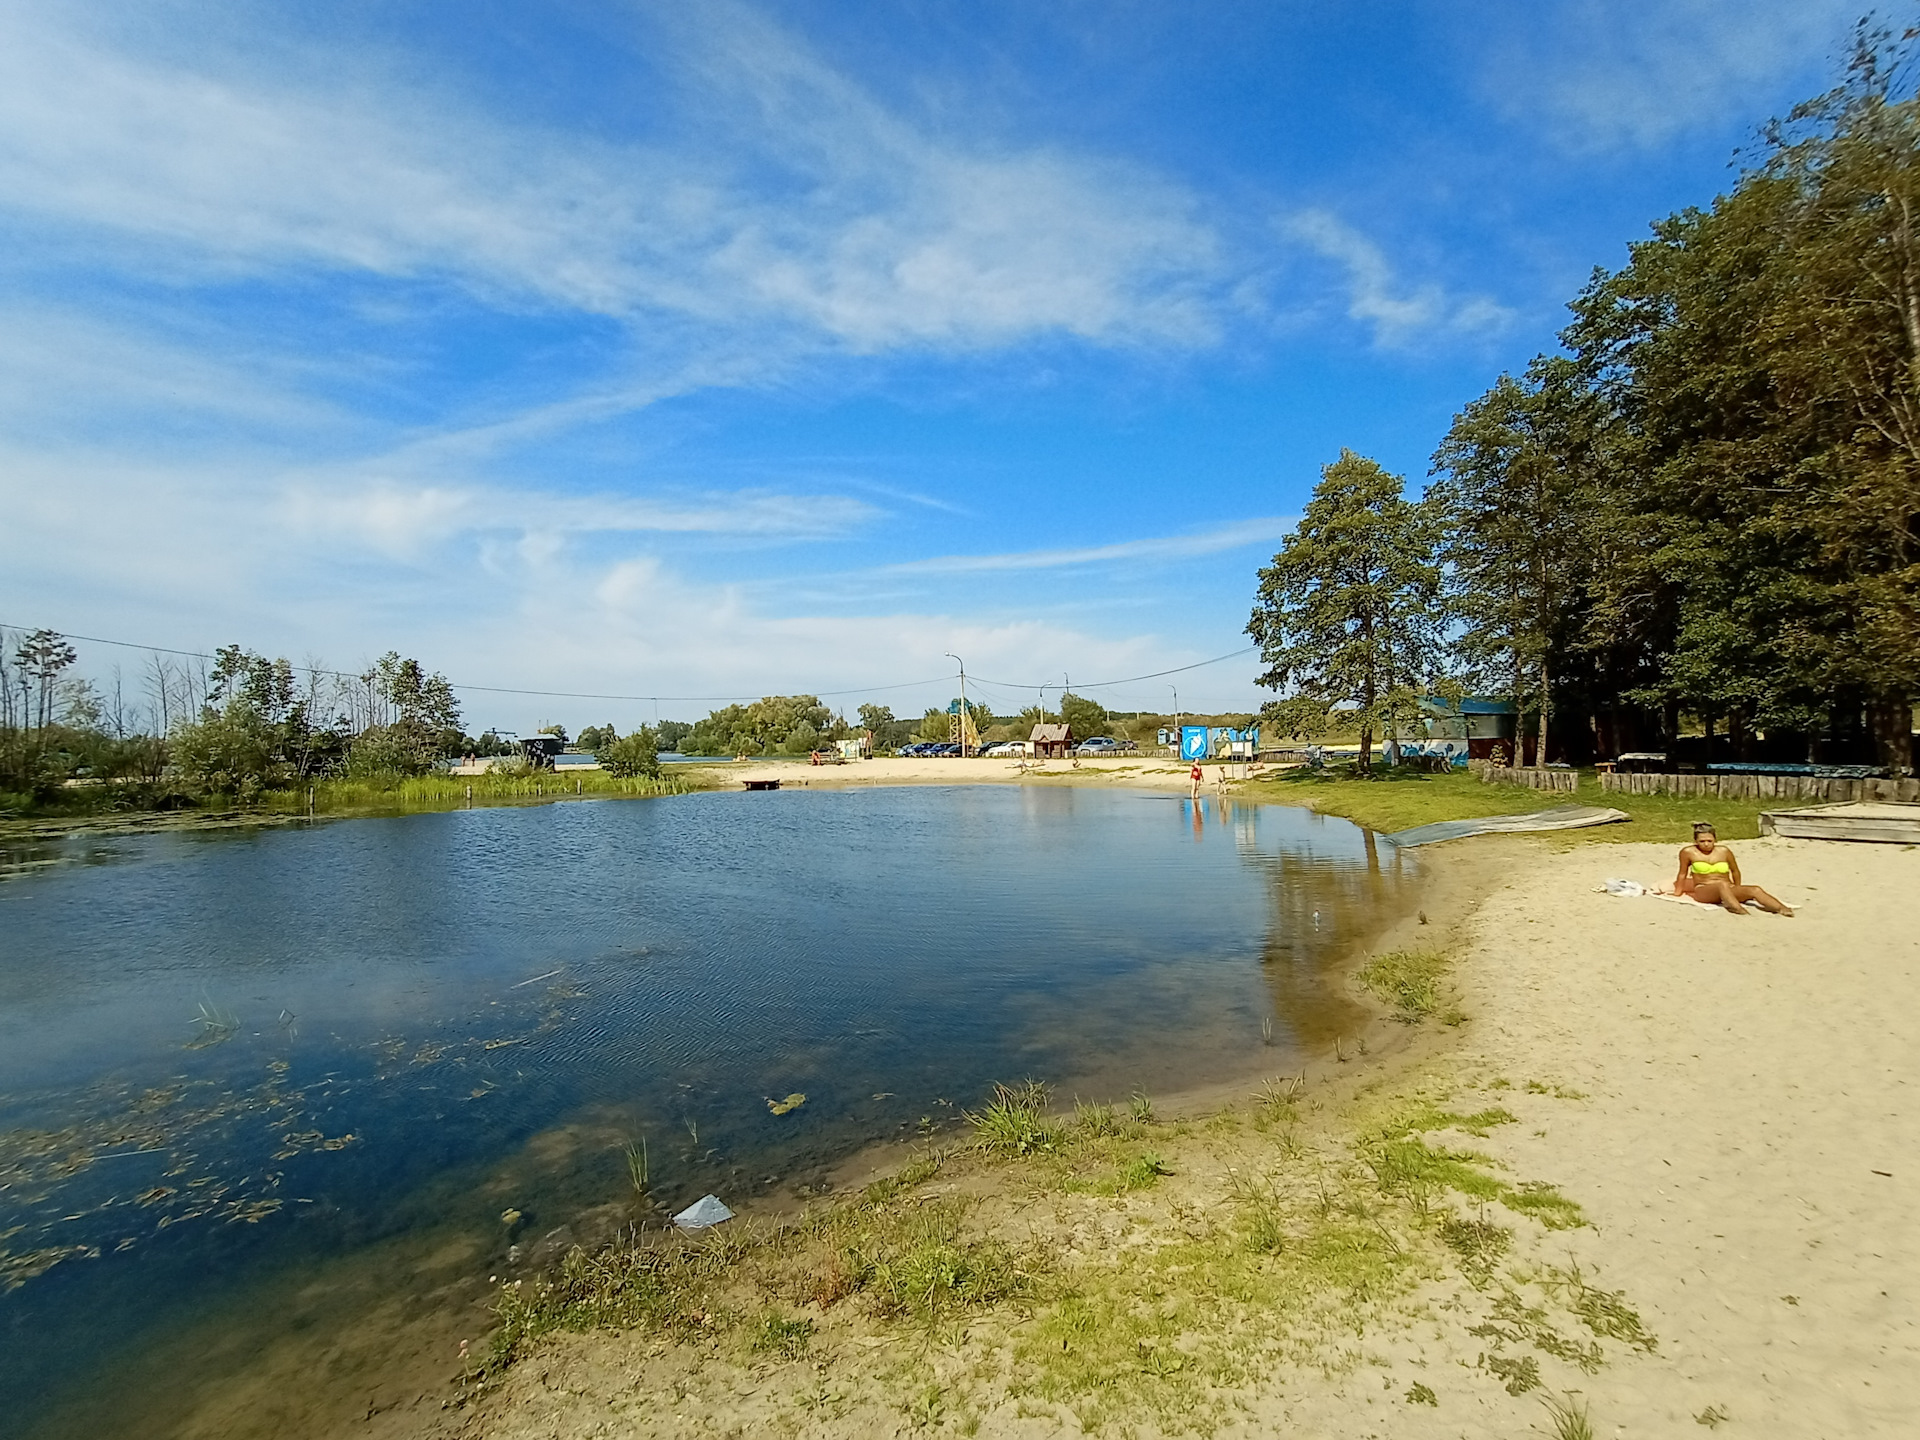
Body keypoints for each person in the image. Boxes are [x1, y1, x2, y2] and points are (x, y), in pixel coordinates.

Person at [1673, 822, 1793, 916]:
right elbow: (1682, 874)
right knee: (1721, 885)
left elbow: (1735, 871)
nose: (1706, 844)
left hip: (1727, 887)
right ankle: (1736, 908)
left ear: (1715, 840)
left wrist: (1737, 887)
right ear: (1695, 841)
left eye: (1709, 841)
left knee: (1755, 889)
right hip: (1703, 890)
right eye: (1702, 841)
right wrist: (1677, 893)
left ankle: (1781, 908)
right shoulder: (1688, 852)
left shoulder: (1724, 851)